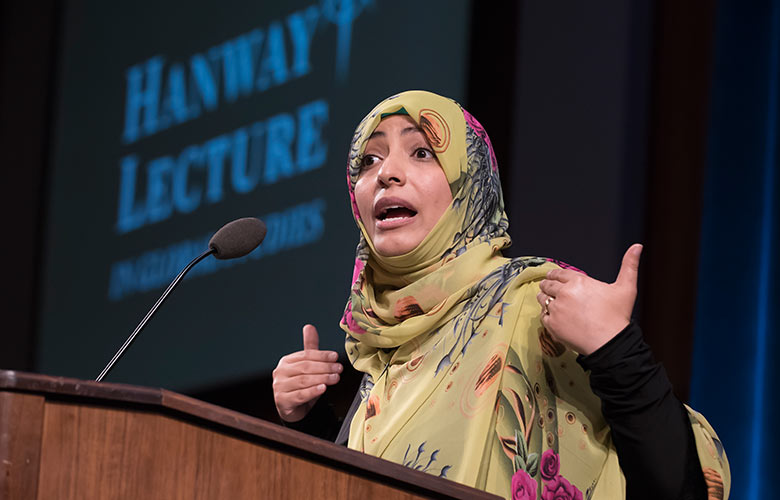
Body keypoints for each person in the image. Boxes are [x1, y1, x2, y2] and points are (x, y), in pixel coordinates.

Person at [272, 90, 730, 499]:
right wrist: (309, 421)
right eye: (367, 161)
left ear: (468, 185)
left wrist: (617, 350)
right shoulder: (382, 349)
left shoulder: (532, 304)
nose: (386, 173)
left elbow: (679, 488)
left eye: (422, 152)